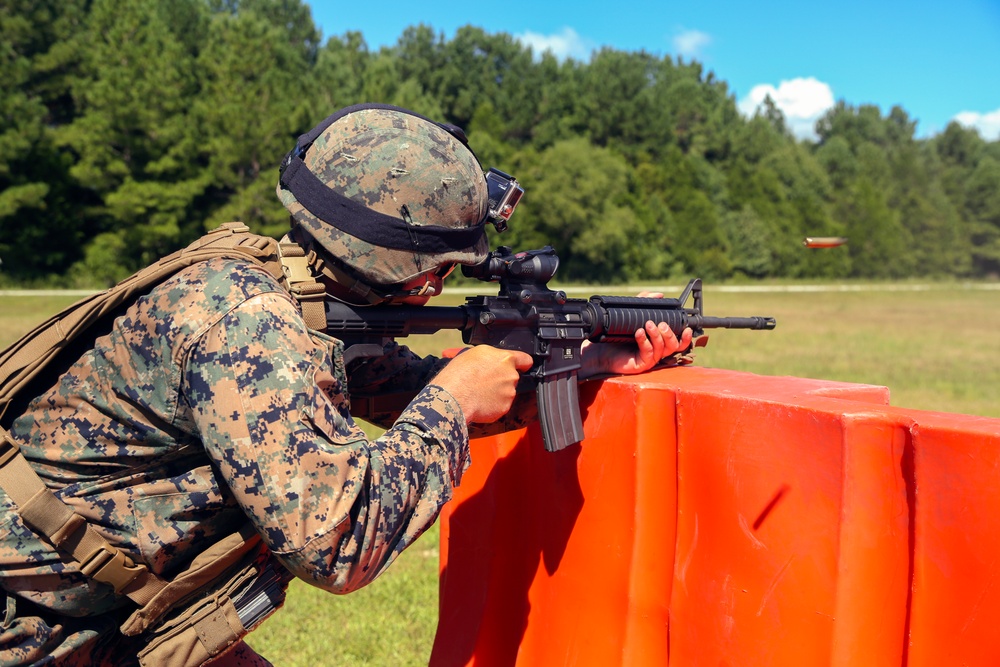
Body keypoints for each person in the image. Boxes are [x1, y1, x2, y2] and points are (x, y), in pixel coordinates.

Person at [0, 103, 691, 666]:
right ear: (396, 263)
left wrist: (592, 359)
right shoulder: (249, 326)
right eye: (441, 270)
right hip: (31, 628)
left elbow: (397, 387)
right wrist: (451, 400)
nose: (440, 287)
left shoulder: (284, 285)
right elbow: (337, 542)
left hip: (93, 611)